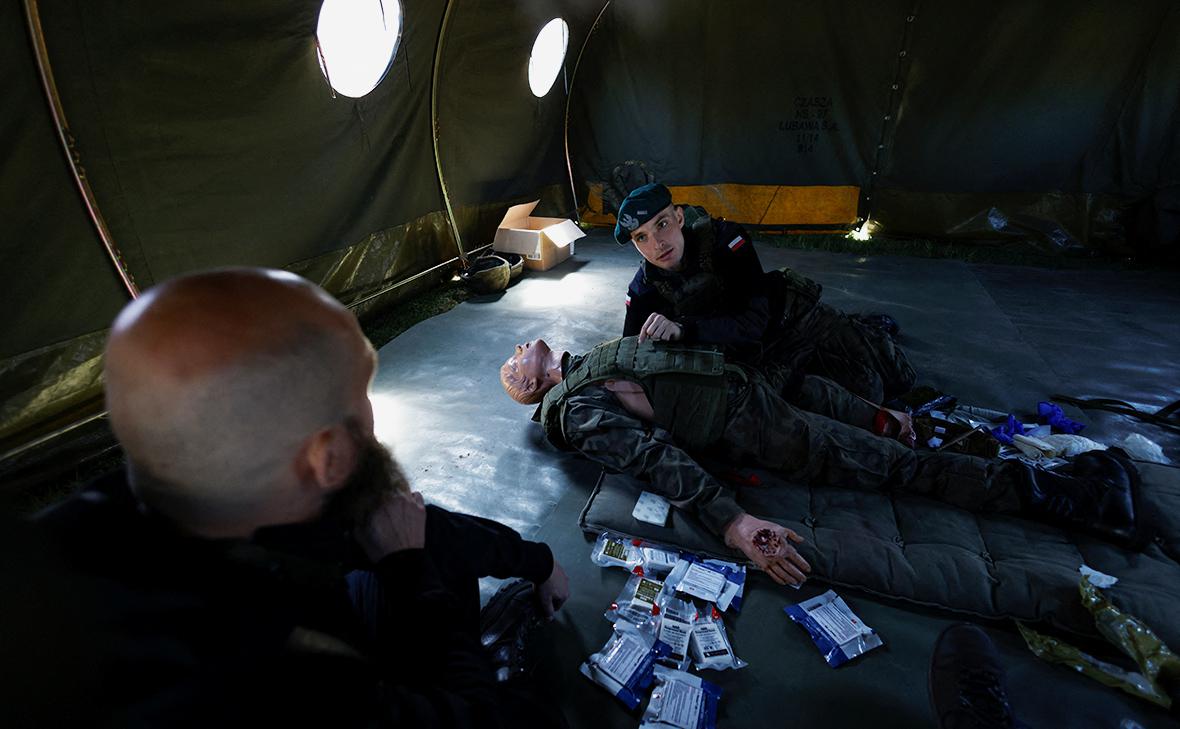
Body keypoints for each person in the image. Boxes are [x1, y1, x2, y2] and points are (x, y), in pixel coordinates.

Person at [32, 268, 569, 727]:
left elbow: (408, 522)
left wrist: (537, 561)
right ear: (326, 454)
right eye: (360, 391)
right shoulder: (262, 680)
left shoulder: (145, 508)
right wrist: (410, 576)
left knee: (410, 530)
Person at [499, 336, 1139, 586]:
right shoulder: (572, 408)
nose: (521, 346)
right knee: (895, 465)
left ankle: (1025, 468)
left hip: (752, 389)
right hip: (757, 429)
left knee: (844, 371)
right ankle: (1072, 499)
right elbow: (650, 457)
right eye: (513, 358)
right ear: (527, 385)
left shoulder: (585, 367)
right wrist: (733, 522)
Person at [616, 182, 916, 404]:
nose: (657, 244)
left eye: (662, 224)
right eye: (642, 237)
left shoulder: (725, 241)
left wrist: (684, 329)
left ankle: (865, 326)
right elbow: (630, 358)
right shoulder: (644, 290)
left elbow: (754, 321)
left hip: (794, 318)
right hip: (763, 356)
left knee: (900, 378)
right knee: (870, 392)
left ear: (680, 218)